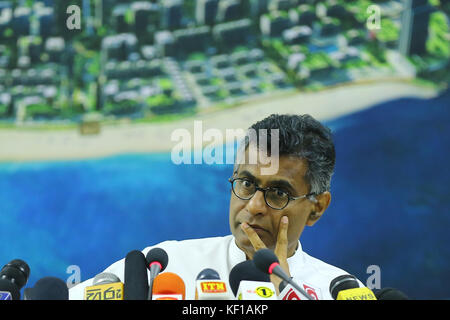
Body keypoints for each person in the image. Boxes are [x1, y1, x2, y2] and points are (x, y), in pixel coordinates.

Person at [69, 114, 362, 300]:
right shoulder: (163, 266)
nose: (255, 206)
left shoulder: (341, 291)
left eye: (278, 193)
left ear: (317, 208)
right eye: (246, 184)